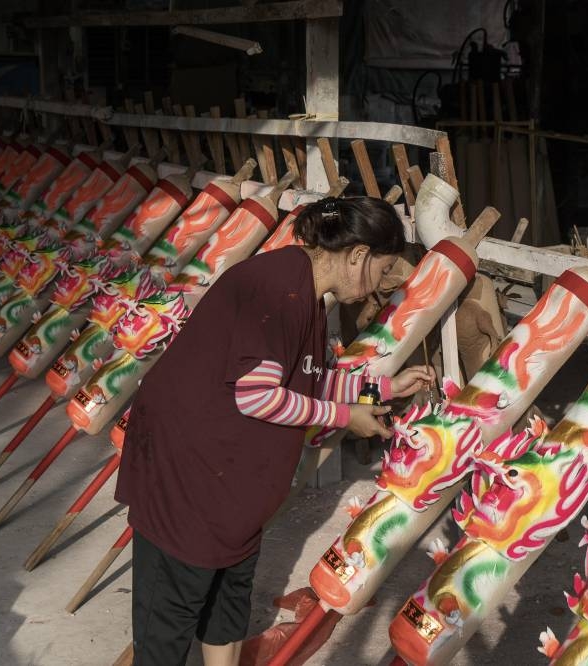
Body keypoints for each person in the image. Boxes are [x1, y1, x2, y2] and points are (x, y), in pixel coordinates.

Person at [115, 196, 435, 666]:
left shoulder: (304, 291)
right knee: (170, 621)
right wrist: (347, 417)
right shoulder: (280, 291)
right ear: (358, 255)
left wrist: (381, 386)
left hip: (231, 492)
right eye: (382, 271)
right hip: (188, 482)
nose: (378, 288)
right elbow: (258, 395)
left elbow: (302, 377)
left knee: (227, 604)